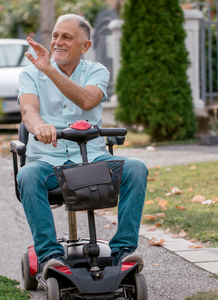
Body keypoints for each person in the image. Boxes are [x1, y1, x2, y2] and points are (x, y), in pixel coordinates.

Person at [17, 14, 148, 279]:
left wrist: (50, 71)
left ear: (85, 46)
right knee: (27, 175)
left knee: (136, 168)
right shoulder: (30, 73)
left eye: (67, 37)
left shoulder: (97, 71)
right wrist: (39, 125)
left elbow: (89, 100)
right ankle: (50, 257)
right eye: (55, 35)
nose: (58, 42)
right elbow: (28, 110)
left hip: (92, 160)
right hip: (47, 163)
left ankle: (123, 251)